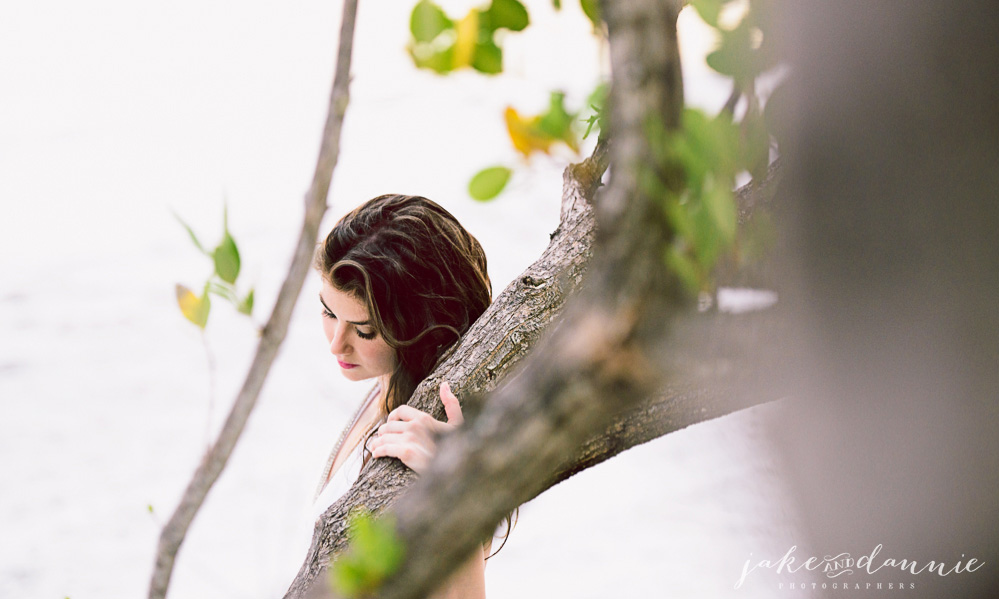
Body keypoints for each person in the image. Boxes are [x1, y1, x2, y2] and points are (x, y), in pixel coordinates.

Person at [311, 194, 493, 599]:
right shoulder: (383, 388)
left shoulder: (426, 441)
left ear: (420, 325)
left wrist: (454, 493)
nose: (336, 346)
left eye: (364, 331)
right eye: (328, 313)